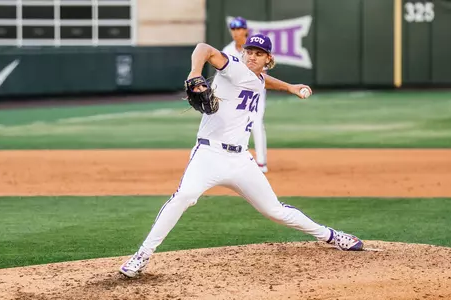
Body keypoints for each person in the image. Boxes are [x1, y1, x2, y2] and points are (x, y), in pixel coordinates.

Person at [119, 34, 364, 278]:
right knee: (184, 196)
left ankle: (331, 235)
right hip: (209, 154)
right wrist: (194, 73)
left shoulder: (255, 77)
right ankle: (142, 255)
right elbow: (203, 48)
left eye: (259, 54)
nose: (252, 56)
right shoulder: (234, 66)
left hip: (240, 160)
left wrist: (289, 87)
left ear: (268, 58)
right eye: (249, 51)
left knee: (274, 210)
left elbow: (262, 80)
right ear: (243, 53)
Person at [222, 16, 269, 173]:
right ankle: (231, 160)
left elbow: (262, 73)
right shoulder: (227, 51)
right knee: (231, 125)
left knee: (256, 123)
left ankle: (261, 162)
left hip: (256, 93)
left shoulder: (255, 48)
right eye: (233, 29)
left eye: (239, 28)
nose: (236, 32)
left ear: (245, 30)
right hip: (235, 95)